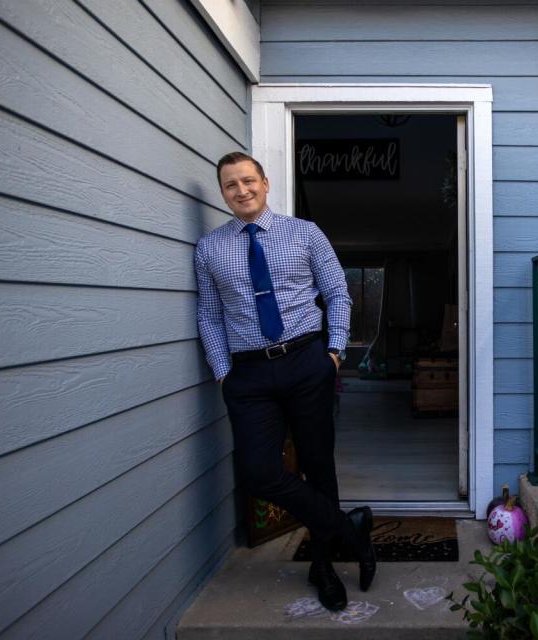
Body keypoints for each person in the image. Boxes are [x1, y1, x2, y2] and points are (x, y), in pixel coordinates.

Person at [194, 151, 375, 611]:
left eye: (249, 180)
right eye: (231, 185)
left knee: (319, 467)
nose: (242, 190)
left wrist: (333, 353)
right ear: (223, 193)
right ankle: (349, 529)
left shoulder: (304, 233)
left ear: (266, 182)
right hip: (248, 373)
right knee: (259, 473)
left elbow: (337, 292)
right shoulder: (210, 248)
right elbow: (210, 315)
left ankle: (324, 567)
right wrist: (222, 372)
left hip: (305, 362)